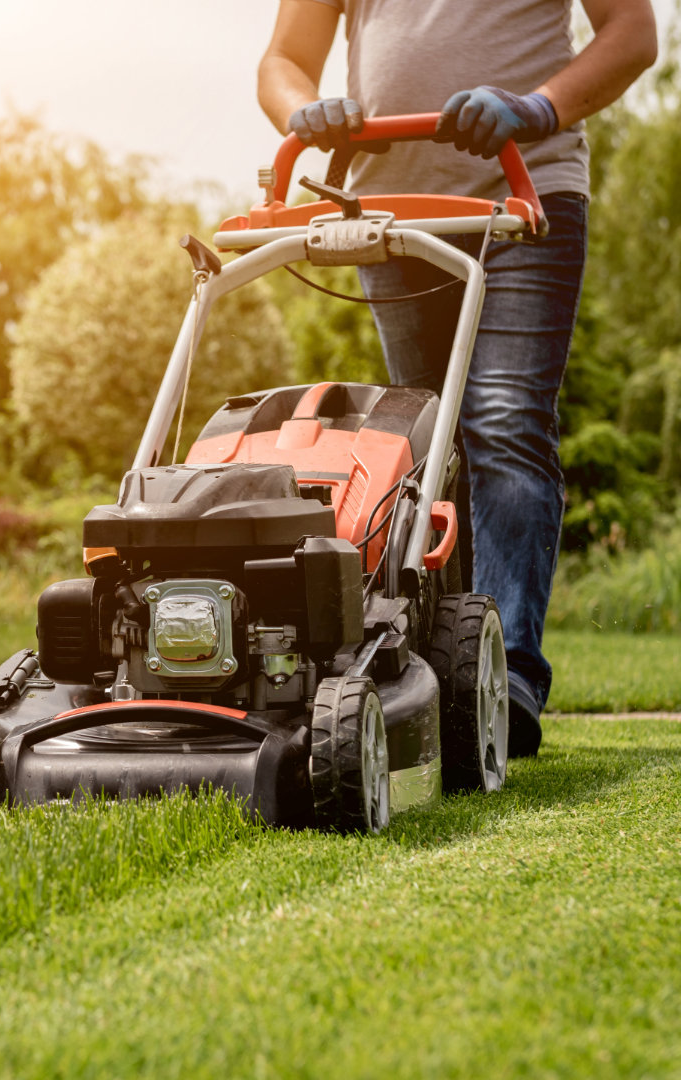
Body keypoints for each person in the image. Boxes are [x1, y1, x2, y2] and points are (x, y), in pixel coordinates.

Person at [258, 0, 658, 756]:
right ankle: (446, 670)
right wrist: (304, 112)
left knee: (503, 422)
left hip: (521, 192)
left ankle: (507, 680)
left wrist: (539, 108)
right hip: (392, 212)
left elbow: (634, 35)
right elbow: (282, 62)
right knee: (432, 446)